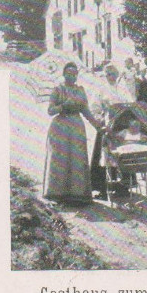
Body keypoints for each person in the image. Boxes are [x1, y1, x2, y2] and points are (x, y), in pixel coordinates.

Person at [43, 62, 100, 204]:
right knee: (60, 159)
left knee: (77, 158)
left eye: (74, 74)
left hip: (76, 128)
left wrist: (97, 125)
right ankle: (57, 194)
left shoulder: (80, 91)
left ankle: (77, 194)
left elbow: (85, 110)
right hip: (60, 128)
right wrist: (63, 106)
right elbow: (50, 110)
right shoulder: (58, 90)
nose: (72, 76)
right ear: (63, 74)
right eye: (69, 73)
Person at [89, 64, 133, 199]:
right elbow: (94, 107)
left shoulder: (123, 89)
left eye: (113, 73)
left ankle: (124, 186)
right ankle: (102, 188)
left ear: (117, 75)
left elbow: (131, 104)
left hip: (121, 127)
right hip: (107, 126)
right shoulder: (101, 89)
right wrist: (100, 118)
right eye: (108, 74)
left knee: (123, 154)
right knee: (104, 155)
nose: (110, 76)